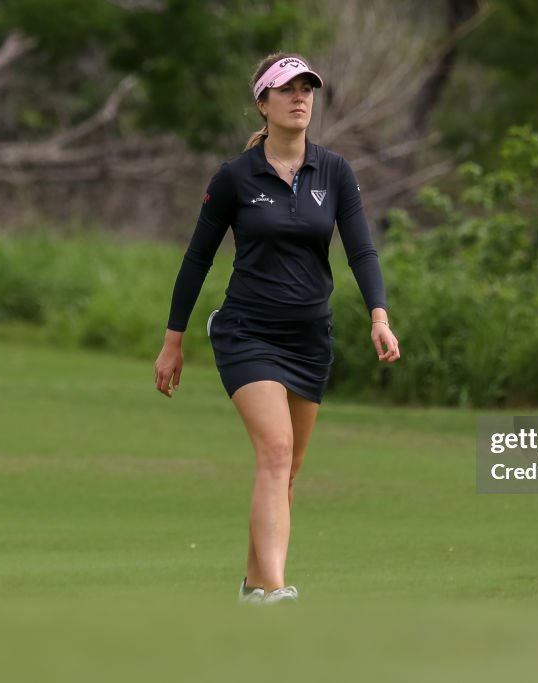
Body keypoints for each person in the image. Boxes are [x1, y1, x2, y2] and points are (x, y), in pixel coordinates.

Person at [153, 53, 401, 605]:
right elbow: (197, 260)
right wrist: (174, 340)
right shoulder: (235, 177)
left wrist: (379, 317)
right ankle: (274, 591)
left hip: (310, 338)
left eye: (307, 89)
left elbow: (361, 249)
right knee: (276, 451)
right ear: (263, 104)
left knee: (286, 471)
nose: (300, 98)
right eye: (286, 89)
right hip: (247, 333)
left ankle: (251, 587)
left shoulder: (334, 171)